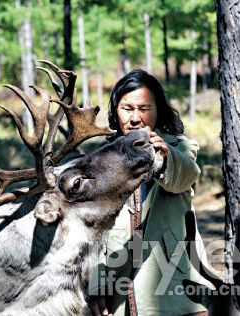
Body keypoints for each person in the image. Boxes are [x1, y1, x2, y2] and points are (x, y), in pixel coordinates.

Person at [90, 69, 211, 315]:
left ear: (158, 110)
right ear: (116, 111)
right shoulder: (102, 162)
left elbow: (186, 175)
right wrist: (96, 286)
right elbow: (96, 233)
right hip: (120, 287)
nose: (135, 118)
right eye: (127, 108)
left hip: (176, 284)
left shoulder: (179, 147)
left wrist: (161, 158)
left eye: (144, 109)